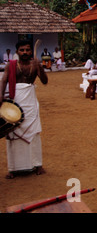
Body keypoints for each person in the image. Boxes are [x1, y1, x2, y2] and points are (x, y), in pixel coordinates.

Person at [0, 40, 48, 179]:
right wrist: (1, 96)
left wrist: (40, 68)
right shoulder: (11, 65)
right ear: (17, 52)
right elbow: (4, 81)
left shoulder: (35, 64)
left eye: (27, 50)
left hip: (30, 103)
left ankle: (37, 165)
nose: (25, 52)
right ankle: (13, 168)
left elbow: (45, 82)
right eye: (22, 50)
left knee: (33, 131)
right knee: (12, 131)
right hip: (15, 101)